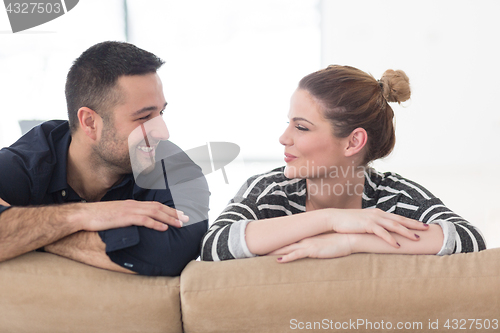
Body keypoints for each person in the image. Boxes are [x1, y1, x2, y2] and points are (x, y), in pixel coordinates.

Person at [201, 65, 485, 262]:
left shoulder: (396, 197)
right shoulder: (269, 190)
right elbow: (214, 244)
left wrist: (350, 242)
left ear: (353, 142)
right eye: (288, 123)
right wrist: (332, 220)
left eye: (301, 127)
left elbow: (468, 239)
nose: (283, 138)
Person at [0, 41, 209, 276]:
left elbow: (170, 254)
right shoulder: (30, 159)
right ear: (90, 122)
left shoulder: (177, 168)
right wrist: (81, 216)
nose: (163, 132)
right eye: (143, 117)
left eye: (160, 113)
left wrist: (30, 233)